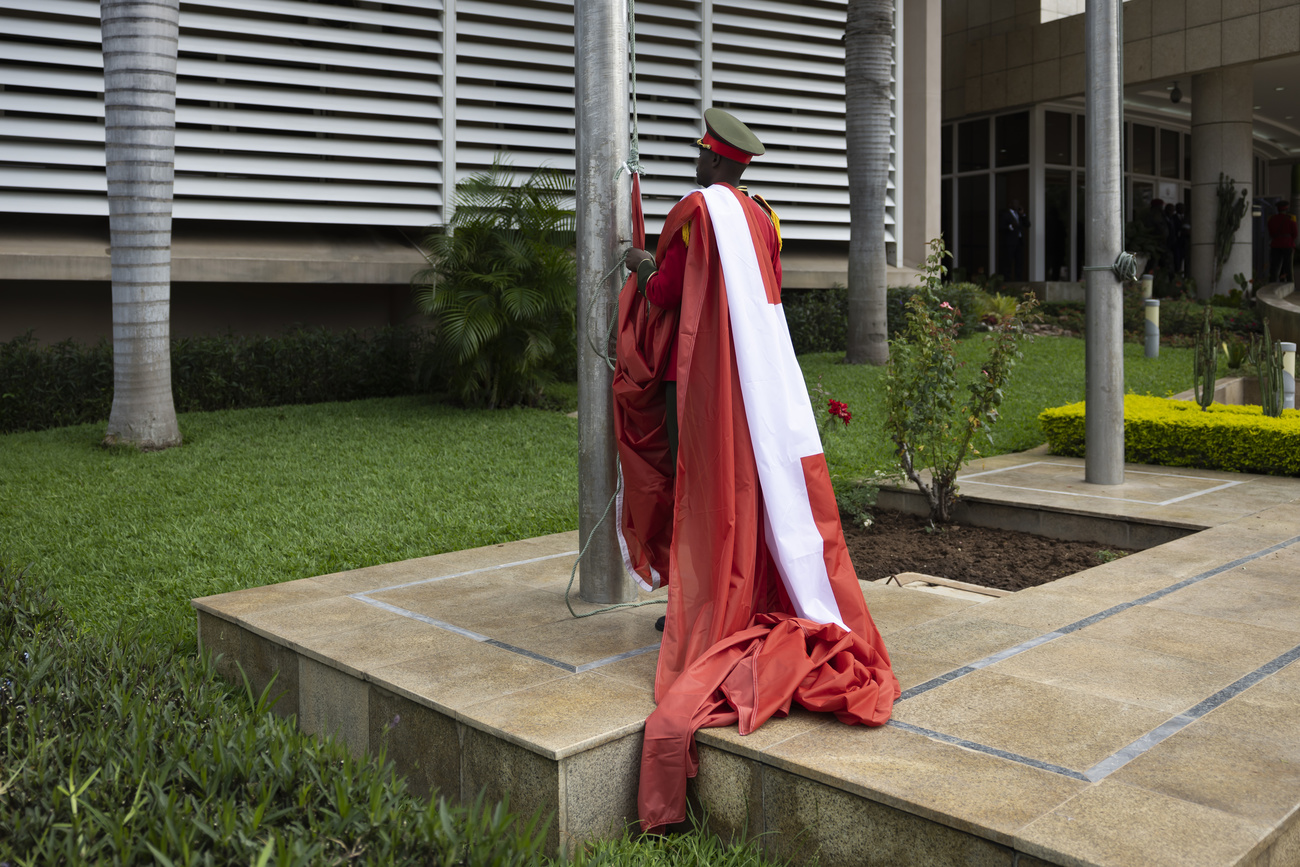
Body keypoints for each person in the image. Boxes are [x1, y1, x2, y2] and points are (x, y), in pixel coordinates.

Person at [613, 108, 898, 833]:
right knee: (760, 494)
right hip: (761, 390)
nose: (699, 170)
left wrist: (640, 263)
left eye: (701, 160)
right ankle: (743, 590)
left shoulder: (692, 214)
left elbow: (665, 296)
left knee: (697, 495)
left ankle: (701, 604)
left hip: (702, 385)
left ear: (712, 160)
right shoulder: (766, 218)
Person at [999, 199, 1029, 281]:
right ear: (1010, 204)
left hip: (1019, 242)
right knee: (1008, 261)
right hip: (1009, 243)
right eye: (1015, 203)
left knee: (1019, 262)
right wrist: (1011, 226)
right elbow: (1001, 228)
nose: (1017, 205)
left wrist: (1023, 214)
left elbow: (1028, 224)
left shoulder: (1019, 215)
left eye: (1018, 203)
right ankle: (1007, 280)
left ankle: (1018, 280)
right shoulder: (1005, 215)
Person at [1268, 200, 1297, 284]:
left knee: (1274, 267)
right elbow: (1295, 234)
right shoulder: (1291, 218)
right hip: (1288, 244)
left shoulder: (1272, 219)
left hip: (1275, 245)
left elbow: (1271, 233)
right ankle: (1290, 284)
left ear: (1278, 209)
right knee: (1288, 267)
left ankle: (1271, 284)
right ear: (1286, 209)